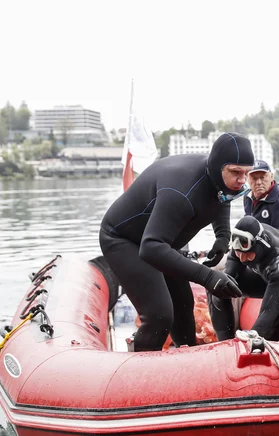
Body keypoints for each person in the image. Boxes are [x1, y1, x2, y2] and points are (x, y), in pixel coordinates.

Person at [99, 132, 252, 352]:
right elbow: (151, 248)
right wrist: (208, 277)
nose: (242, 180)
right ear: (219, 168)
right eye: (236, 172)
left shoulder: (219, 180)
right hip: (124, 239)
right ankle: (137, 372)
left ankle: (185, 357)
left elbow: (223, 195)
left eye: (246, 173)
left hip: (162, 241)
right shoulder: (182, 192)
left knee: (183, 305)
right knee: (159, 314)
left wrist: (222, 236)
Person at [243, 160, 279, 239]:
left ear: (271, 177)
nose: (258, 182)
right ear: (247, 179)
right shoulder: (248, 197)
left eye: (262, 177)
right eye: (254, 178)